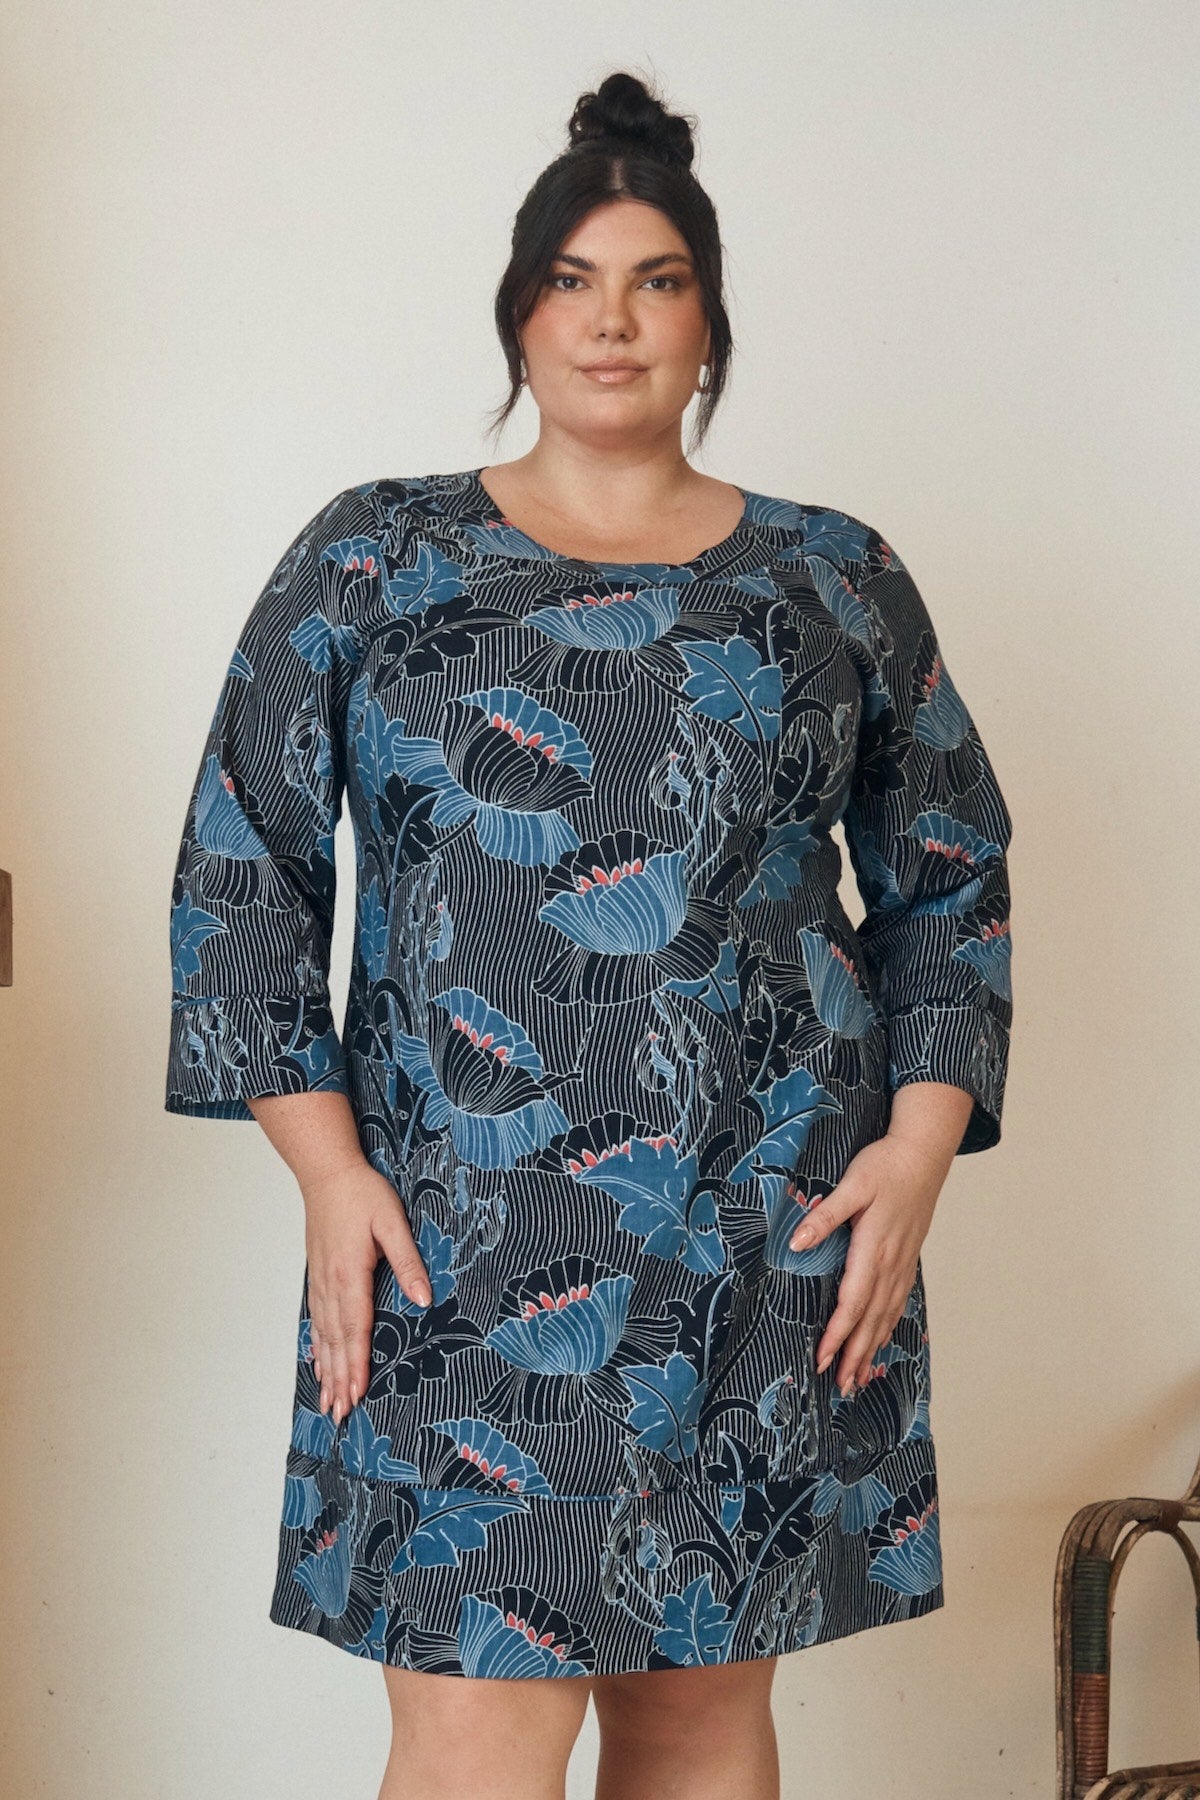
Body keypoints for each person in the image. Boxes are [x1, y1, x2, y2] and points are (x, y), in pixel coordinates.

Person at [165, 67, 1013, 1800]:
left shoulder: (832, 576)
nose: (612, 321)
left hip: (769, 1231)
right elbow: (243, 870)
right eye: (572, 280)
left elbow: (952, 873)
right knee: (473, 1729)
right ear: (520, 312)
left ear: (710, 322)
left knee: (700, 1720)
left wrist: (919, 1150)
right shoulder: (376, 557)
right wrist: (329, 1172)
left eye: (657, 281)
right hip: (456, 1234)